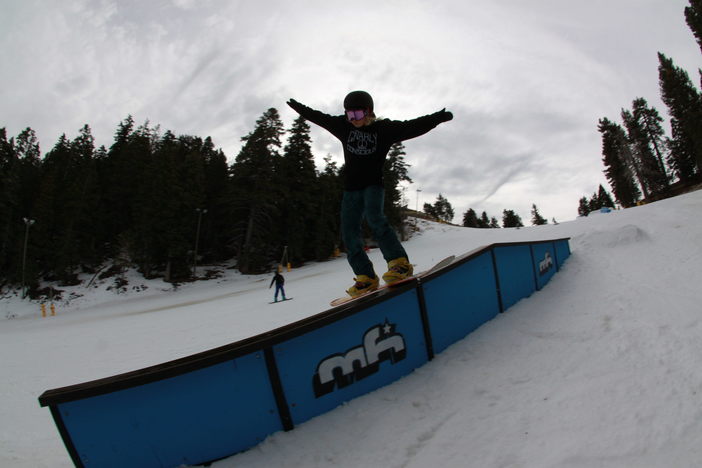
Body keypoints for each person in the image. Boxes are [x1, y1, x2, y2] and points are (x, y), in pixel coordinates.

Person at [287, 91, 453, 297]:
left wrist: (437, 118)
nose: (353, 120)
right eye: (350, 116)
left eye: (357, 115)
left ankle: (399, 264)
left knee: (375, 219)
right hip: (351, 189)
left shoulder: (383, 130)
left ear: (369, 112)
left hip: (373, 185)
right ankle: (365, 276)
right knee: (349, 231)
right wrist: (300, 109)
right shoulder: (343, 126)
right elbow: (320, 118)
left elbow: (411, 126)